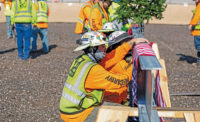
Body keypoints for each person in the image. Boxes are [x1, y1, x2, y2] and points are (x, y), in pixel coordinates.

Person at [59, 31, 147, 122]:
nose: (105, 48)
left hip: (69, 109)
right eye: (102, 46)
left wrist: (131, 43)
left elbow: (111, 57)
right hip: (78, 114)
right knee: (120, 112)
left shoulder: (82, 59)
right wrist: (134, 65)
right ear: (93, 48)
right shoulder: (94, 70)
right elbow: (121, 81)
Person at [189, 0, 200, 66]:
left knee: (199, 47)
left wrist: (192, 24)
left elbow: (197, 16)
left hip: (198, 31)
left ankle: (199, 63)